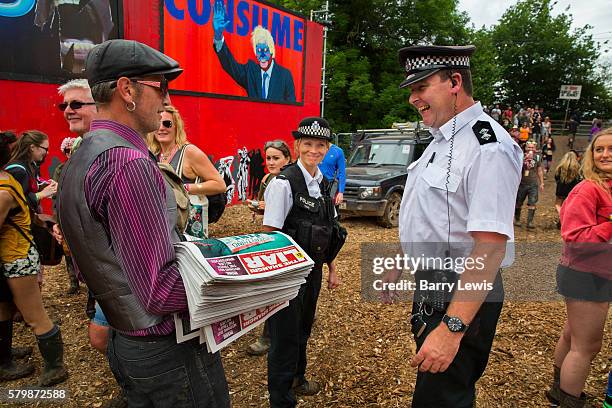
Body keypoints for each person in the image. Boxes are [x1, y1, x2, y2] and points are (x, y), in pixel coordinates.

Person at [56, 39, 230, 406]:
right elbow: (161, 292)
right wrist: (248, 284)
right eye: (160, 86)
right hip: (167, 350)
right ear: (127, 89)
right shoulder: (129, 164)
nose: (167, 100)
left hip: (128, 339)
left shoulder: (82, 154)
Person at [389, 44, 522, 407]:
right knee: (437, 389)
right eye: (412, 90)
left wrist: (452, 328)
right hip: (437, 281)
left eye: (421, 87)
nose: (413, 98)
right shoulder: (443, 139)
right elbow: (433, 214)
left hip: (461, 287)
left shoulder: (486, 146)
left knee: (444, 395)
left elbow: (490, 246)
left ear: (455, 82)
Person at [263, 117, 341, 407]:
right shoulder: (284, 183)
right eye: (307, 144)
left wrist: (332, 267)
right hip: (287, 274)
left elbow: (331, 230)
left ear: (327, 148)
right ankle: (281, 399)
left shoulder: (324, 183)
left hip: (313, 270)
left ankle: (297, 379)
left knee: (304, 328)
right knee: (284, 337)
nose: (313, 150)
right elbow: (270, 234)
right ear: (297, 145)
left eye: (320, 145)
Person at [547, 128, 612, 408]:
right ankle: (569, 401)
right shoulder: (588, 189)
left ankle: (558, 391)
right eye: (599, 149)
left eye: (611, 149)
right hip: (586, 275)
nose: (605, 154)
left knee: (573, 335)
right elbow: (575, 238)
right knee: (587, 346)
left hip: (597, 273)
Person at [0, 131, 68, 386]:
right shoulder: (10, 176)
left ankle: (55, 368)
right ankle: (4, 358)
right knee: (3, 309)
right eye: (43, 148)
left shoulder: (5, 187)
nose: (46, 154)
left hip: (17, 258)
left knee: (34, 315)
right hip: (8, 257)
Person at [148, 104, 226, 238]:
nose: (161, 128)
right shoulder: (154, 154)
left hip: (188, 231)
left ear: (176, 127)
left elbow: (220, 185)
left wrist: (184, 188)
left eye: (167, 124)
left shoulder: (189, 152)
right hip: (163, 228)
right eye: (157, 124)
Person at [245, 139, 292, 356]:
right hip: (272, 237)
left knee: (279, 290)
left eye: (276, 158)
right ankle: (270, 333)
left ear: (287, 159)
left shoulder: (290, 181)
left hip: (286, 239)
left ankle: (268, 337)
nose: (271, 162)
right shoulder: (268, 180)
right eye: (269, 158)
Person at [212, 0, 296, 102]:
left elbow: (291, 109)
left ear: (272, 51)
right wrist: (218, 36)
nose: (262, 55)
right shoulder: (250, 71)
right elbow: (230, 65)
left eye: (265, 50)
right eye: (259, 50)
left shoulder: (285, 75)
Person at [514, 140, 544, 229]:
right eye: (529, 147)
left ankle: (529, 222)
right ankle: (517, 219)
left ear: (535, 148)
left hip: (533, 184)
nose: (530, 149)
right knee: (518, 202)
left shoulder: (538, 157)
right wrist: (524, 159)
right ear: (526, 148)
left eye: (532, 147)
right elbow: (516, 168)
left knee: (532, 202)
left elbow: (539, 170)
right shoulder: (521, 155)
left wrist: (542, 182)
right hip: (522, 183)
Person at [554, 151, 582, 227]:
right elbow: (581, 180)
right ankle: (566, 219)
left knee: (558, 205)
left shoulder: (560, 168)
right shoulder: (578, 169)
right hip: (573, 191)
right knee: (570, 206)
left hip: (561, 190)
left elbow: (556, 177)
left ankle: (562, 217)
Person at [318, 142, 346, 206]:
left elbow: (342, 173)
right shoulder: (314, 150)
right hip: (314, 185)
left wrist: (341, 192)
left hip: (329, 188)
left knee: (330, 211)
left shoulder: (338, 151)